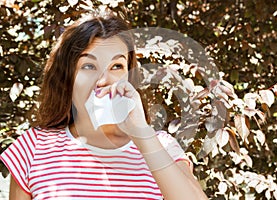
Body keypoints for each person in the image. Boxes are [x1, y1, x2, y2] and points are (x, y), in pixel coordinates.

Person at [0, 12, 208, 200]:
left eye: (116, 66)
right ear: (67, 78)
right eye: (88, 66)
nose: (103, 80)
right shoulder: (34, 146)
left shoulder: (161, 146)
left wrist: (142, 132)